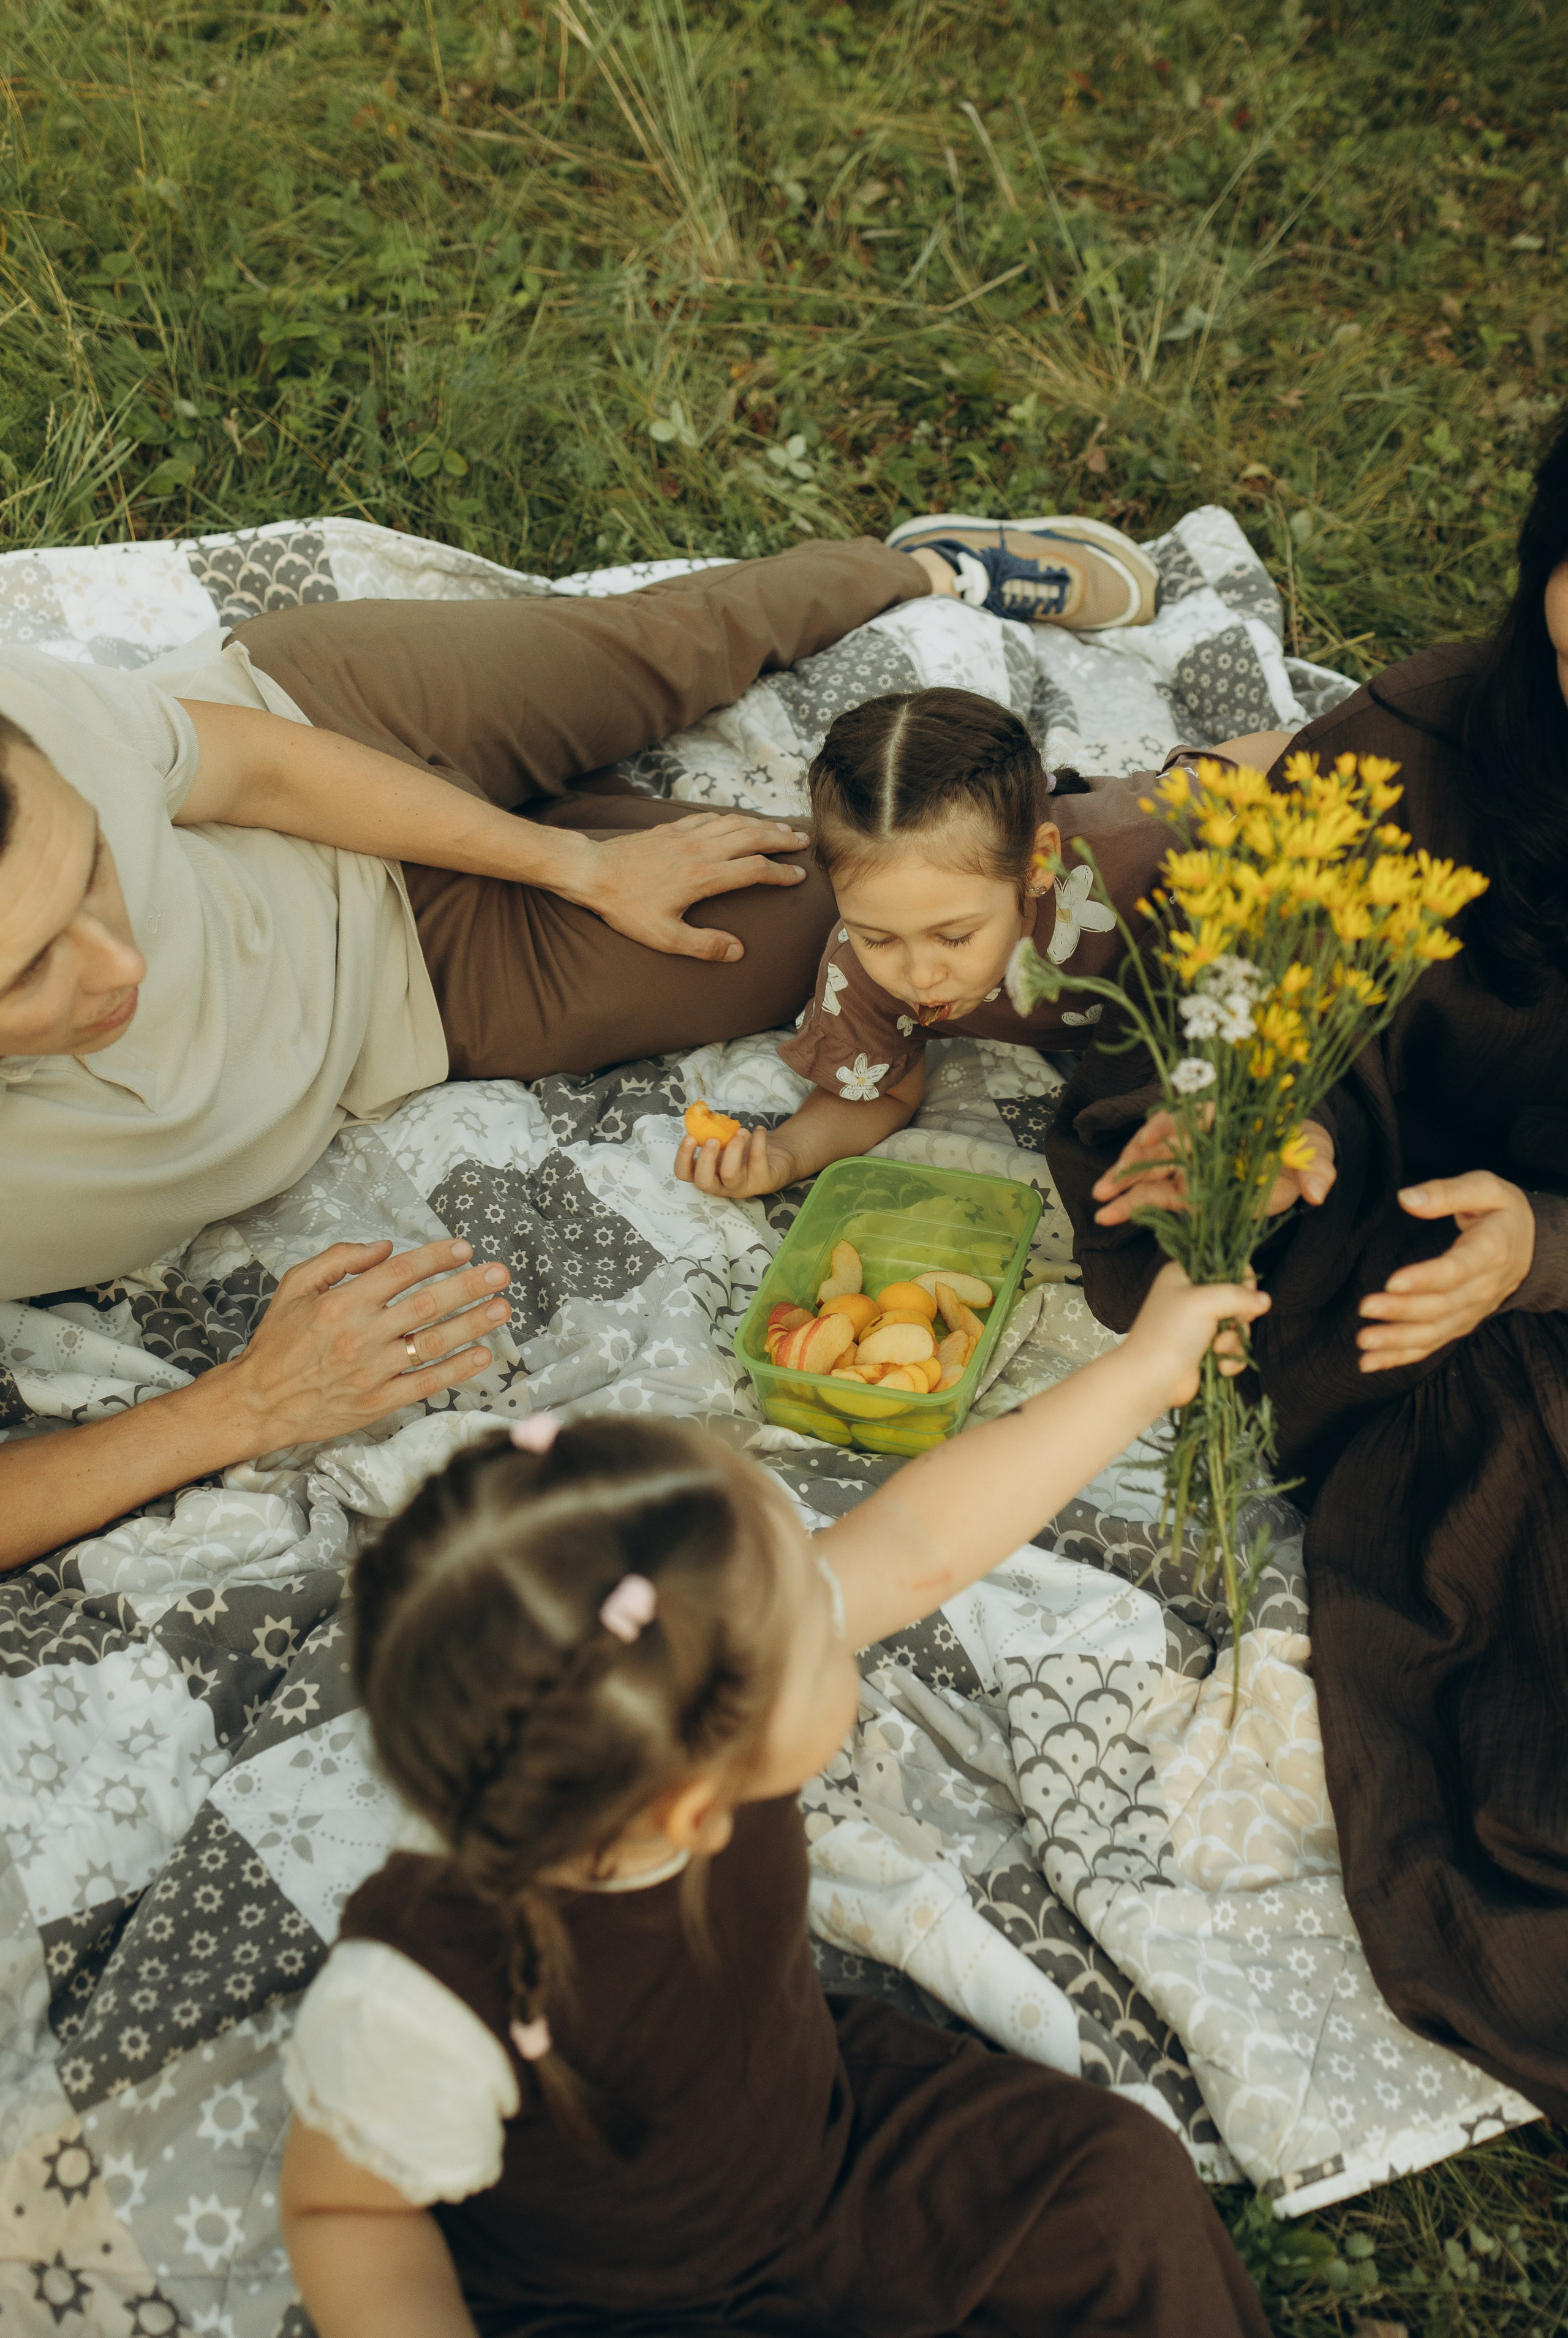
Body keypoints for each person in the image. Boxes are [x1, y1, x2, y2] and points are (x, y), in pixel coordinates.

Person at [0, 516, 1156, 1569]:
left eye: (100, 869)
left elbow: (245, 763)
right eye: (31, 967)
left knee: (674, 649)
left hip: (332, 722)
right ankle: (591, 807)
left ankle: (921, 563)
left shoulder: (22, 730)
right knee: (828, 921)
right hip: (415, 987)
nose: (125, 966)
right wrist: (241, 1409)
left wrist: (580, 865)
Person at [277, 1261, 1273, 2338]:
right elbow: (344, 2210)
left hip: (828, 2153)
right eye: (816, 1631)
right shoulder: (418, 1994)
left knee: (1117, 2191)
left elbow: (919, 1544)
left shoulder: (674, 1693)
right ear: (696, 1815)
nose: (832, 1589)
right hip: (619, 2305)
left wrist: (1143, 1372)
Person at [1045, 417, 1568, 2121]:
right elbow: (1263, 982)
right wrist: (1279, 1124)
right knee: (1480, 1493)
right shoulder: (1420, 745)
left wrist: (1547, 1247)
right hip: (1403, 1207)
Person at [674, 685, 1288, 1202]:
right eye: (877, 936)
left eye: (955, 936)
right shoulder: (858, 969)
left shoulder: (1157, 839)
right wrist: (781, 1155)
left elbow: (1291, 766)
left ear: (1037, 863)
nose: (919, 975)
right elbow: (880, 1090)